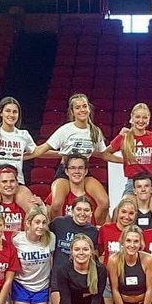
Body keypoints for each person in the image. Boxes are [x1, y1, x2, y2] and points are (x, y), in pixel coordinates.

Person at [0, 96, 47, 219]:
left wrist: (61, 152)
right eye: (8, 111)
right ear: (1, 112)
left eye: (15, 112)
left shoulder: (23, 135)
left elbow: (36, 151)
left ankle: (26, 238)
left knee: (34, 211)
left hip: (17, 182)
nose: (11, 114)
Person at [44, 93, 109, 221]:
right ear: (72, 112)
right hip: (65, 171)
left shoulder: (95, 131)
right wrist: (24, 155)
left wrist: (124, 160)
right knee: (56, 203)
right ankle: (56, 231)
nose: (82, 110)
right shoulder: (65, 130)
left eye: (84, 106)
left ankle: (96, 230)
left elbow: (104, 154)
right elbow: (43, 148)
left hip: (84, 171)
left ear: (89, 109)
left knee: (104, 202)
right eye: (78, 107)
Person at [107, 102, 152, 196]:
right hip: (132, 182)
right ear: (131, 117)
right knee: (125, 208)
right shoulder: (124, 136)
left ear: (149, 119)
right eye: (138, 117)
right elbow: (105, 154)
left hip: (151, 181)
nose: (141, 120)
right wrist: (123, 160)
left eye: (144, 117)